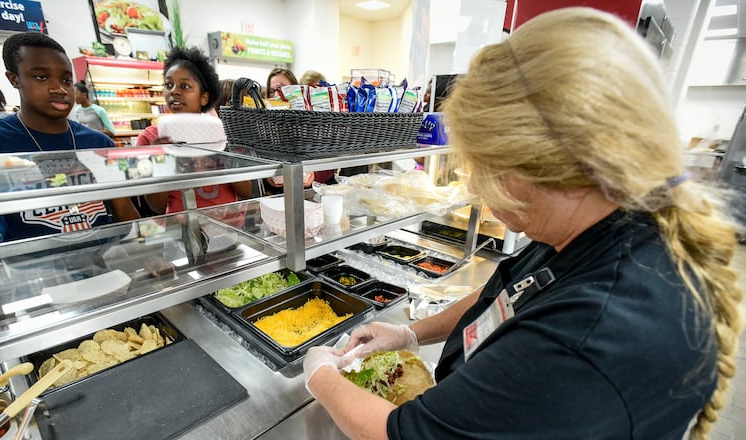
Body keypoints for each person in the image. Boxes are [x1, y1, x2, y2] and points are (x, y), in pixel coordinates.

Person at [302, 7, 744, 440]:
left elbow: (402, 433)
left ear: (553, 167)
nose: (475, 185)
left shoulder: (588, 338)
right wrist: (410, 333)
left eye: (485, 166)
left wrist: (321, 375)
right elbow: (509, 294)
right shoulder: (599, 226)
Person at [0, 32, 139, 249]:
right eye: (41, 77)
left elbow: (123, 212)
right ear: (14, 78)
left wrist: (146, 254)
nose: (59, 89)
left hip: (106, 265)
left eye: (66, 80)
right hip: (30, 274)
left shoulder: (98, 143)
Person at [137, 46, 251, 215]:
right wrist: (164, 161)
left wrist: (225, 152)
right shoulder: (150, 138)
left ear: (204, 96)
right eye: (169, 85)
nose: (174, 91)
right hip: (181, 231)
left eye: (184, 86)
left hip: (229, 228)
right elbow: (156, 206)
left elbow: (246, 191)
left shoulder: (224, 133)